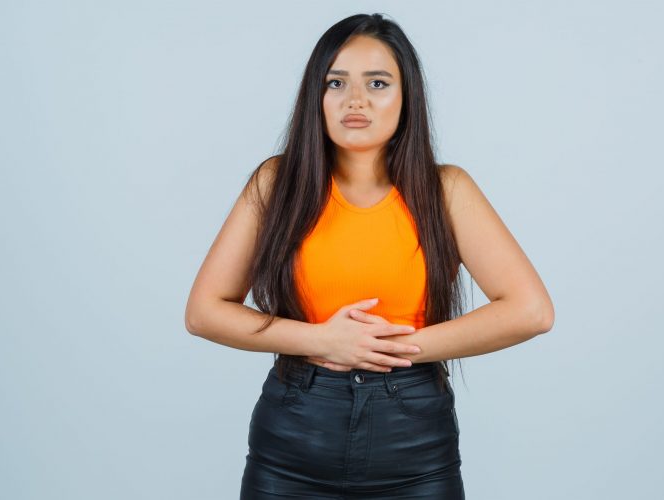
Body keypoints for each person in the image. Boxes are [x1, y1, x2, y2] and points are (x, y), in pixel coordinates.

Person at [185, 12, 554, 499]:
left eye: (377, 83)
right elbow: (203, 312)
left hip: (416, 443)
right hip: (294, 439)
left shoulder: (446, 191)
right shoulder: (277, 184)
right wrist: (323, 340)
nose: (354, 100)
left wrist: (391, 350)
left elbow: (531, 311)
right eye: (335, 82)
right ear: (315, 96)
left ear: (407, 97)